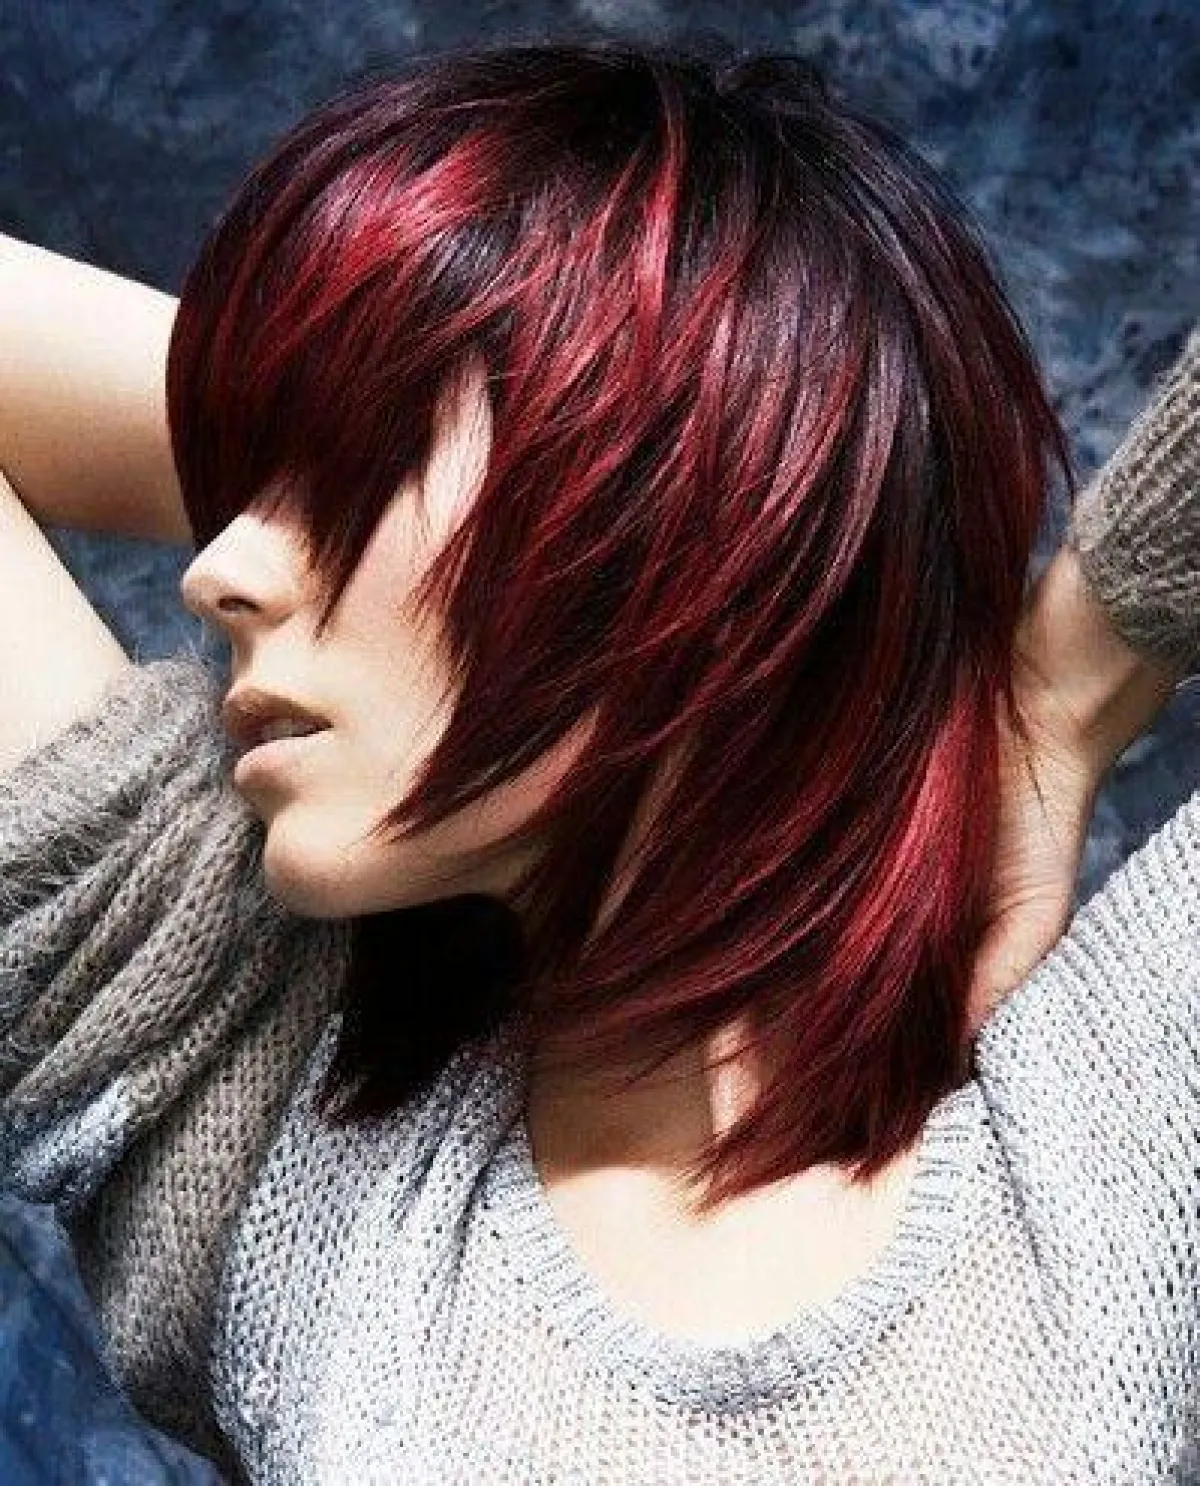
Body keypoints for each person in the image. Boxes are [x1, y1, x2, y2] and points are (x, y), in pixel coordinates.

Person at [0, 36, 1196, 1484]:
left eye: (349, 464)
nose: (219, 570)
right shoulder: (266, 1148)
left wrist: (1080, 668)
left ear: (695, 510)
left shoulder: (1121, 1114)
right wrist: (340, 412)